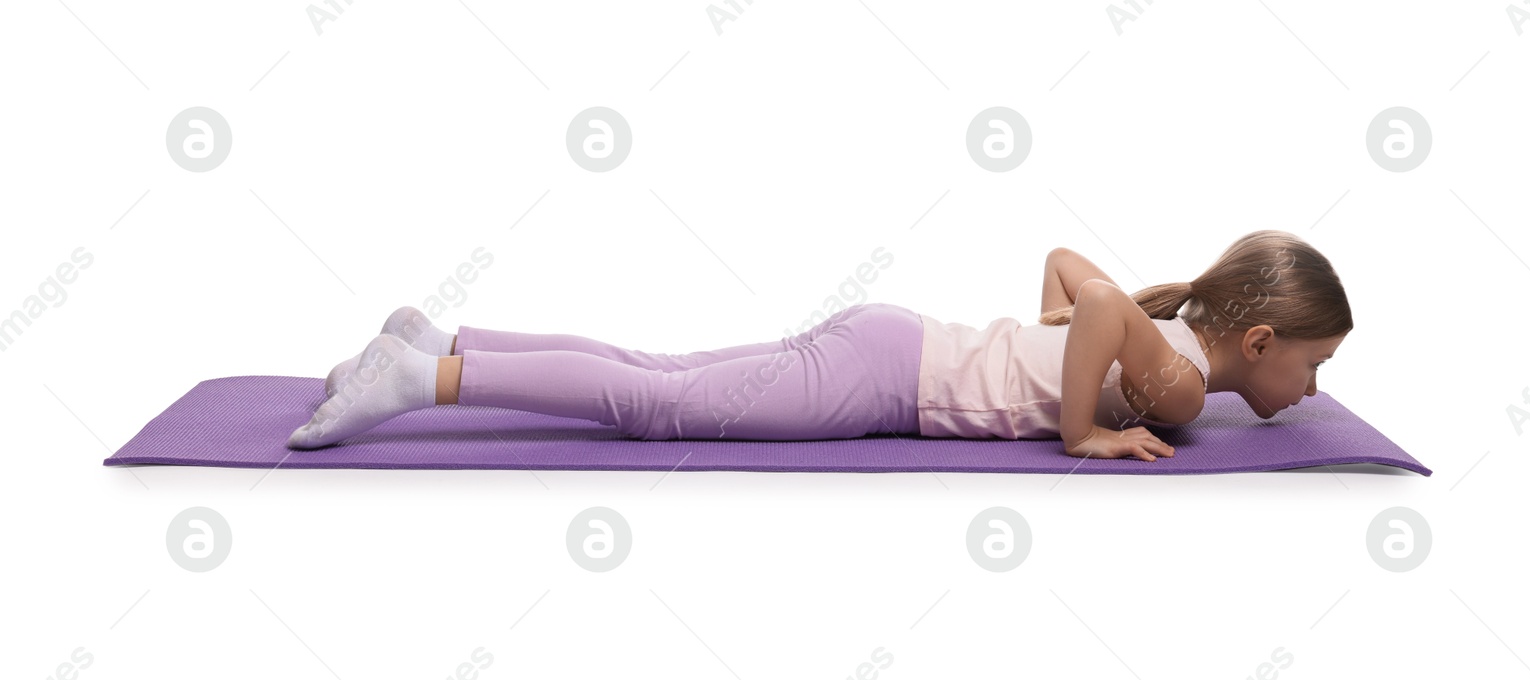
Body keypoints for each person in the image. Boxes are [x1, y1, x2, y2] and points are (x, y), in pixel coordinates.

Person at [287, 230, 1351, 463]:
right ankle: (426, 378)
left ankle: (443, 338)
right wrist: (1083, 429)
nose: (1309, 390)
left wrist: (1048, 336)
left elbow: (1072, 267)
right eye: (1311, 365)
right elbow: (1106, 297)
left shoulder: (1173, 350)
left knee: (659, 372)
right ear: (1255, 340)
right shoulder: (1175, 384)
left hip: (890, 345)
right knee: (656, 406)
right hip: (886, 376)